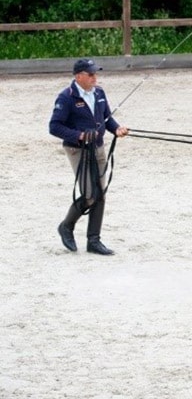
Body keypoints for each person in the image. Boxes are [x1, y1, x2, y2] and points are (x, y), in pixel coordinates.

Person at [49, 59, 129, 255]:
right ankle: (66, 226)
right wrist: (79, 135)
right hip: (78, 151)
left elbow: (107, 118)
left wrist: (116, 128)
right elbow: (54, 126)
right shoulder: (66, 98)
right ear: (78, 76)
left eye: (95, 74)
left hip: (98, 148)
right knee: (89, 194)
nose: (95, 77)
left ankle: (94, 240)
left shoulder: (99, 93)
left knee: (99, 194)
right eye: (90, 74)